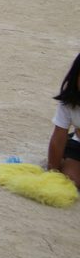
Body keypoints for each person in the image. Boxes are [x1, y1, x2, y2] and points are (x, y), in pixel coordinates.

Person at [48, 53, 80, 189]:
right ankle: (65, 160)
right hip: (78, 144)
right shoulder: (69, 102)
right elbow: (58, 138)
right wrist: (52, 172)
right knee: (72, 180)